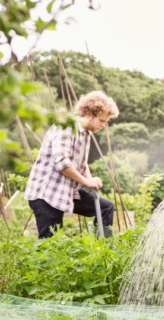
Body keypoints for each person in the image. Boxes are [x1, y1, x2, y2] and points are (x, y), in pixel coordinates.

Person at [25, 91, 119, 239]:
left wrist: (90, 179)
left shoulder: (86, 133)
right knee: (51, 245)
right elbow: (63, 164)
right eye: (102, 120)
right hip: (47, 194)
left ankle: (103, 249)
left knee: (105, 208)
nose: (103, 125)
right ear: (89, 115)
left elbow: (81, 162)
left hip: (67, 191)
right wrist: (86, 181)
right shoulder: (67, 127)